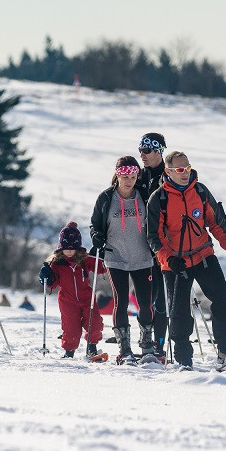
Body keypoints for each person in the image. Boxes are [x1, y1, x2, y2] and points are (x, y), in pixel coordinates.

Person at [147, 151, 226, 370]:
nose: (184, 174)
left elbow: (215, 222)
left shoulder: (200, 191)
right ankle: (183, 360)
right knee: (179, 311)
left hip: (203, 255)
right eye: (179, 170)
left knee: (221, 298)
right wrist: (169, 259)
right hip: (175, 263)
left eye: (187, 168)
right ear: (168, 171)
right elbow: (153, 236)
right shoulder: (158, 198)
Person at [90, 155, 155, 364]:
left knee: (146, 303)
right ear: (117, 174)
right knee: (121, 301)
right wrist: (96, 236)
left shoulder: (144, 196)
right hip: (115, 256)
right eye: (124, 175)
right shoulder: (106, 198)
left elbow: (155, 221)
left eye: (133, 176)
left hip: (143, 256)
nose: (129, 180)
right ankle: (125, 349)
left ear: (137, 176)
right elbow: (94, 225)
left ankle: (147, 347)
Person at [38, 221, 106, 359]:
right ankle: (69, 352)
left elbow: (101, 268)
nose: (69, 250)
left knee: (95, 323)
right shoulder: (57, 264)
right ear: (60, 247)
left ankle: (92, 347)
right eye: (66, 247)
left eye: (72, 247)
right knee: (70, 329)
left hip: (87, 298)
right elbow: (51, 284)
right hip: (67, 300)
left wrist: (102, 256)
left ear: (78, 247)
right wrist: (46, 276)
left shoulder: (85, 260)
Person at [135, 132, 169, 357]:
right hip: (141, 244)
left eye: (146, 151)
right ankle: (146, 342)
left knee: (161, 298)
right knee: (145, 297)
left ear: (159, 151)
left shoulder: (168, 175)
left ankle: (159, 344)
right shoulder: (139, 176)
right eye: (140, 151)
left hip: (163, 244)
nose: (142, 155)